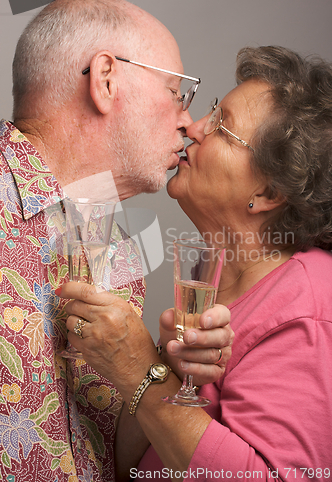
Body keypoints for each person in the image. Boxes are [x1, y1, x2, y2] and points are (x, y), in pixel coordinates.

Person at [61, 45, 332, 480]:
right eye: (211, 112)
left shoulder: (309, 306)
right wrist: (165, 367)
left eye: (223, 128)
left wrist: (138, 369)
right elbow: (133, 464)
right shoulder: (213, 271)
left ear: (268, 194)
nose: (194, 126)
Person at [0, 0, 233, 482]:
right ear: (105, 80)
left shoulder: (113, 239)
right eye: (177, 92)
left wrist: (158, 368)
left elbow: (109, 454)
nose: (188, 121)